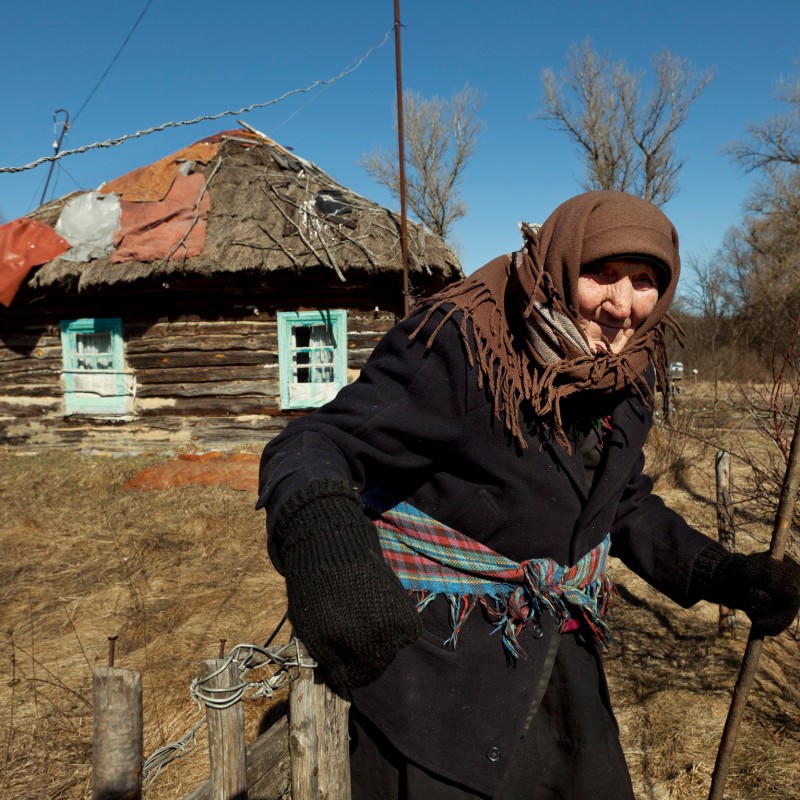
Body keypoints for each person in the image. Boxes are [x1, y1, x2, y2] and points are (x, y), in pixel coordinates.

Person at [256, 190, 800, 800]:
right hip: (440, 677)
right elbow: (314, 443)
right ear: (563, 264)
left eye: (645, 281)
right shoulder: (463, 345)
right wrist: (328, 546)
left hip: (561, 666)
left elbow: (618, 502)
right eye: (603, 274)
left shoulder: (631, 369)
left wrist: (721, 573)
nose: (623, 305)